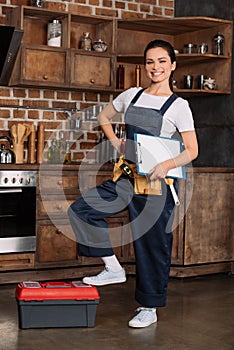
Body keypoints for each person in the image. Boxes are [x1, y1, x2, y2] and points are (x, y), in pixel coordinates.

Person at [68, 39, 198, 328]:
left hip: (156, 186)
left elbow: (192, 150)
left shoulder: (179, 107)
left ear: (173, 65)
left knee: (152, 245)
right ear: (145, 65)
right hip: (126, 177)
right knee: (81, 211)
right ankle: (113, 268)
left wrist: (165, 164)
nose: (156, 67)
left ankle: (149, 307)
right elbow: (104, 116)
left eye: (162, 61)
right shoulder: (131, 96)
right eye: (151, 61)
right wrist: (115, 142)